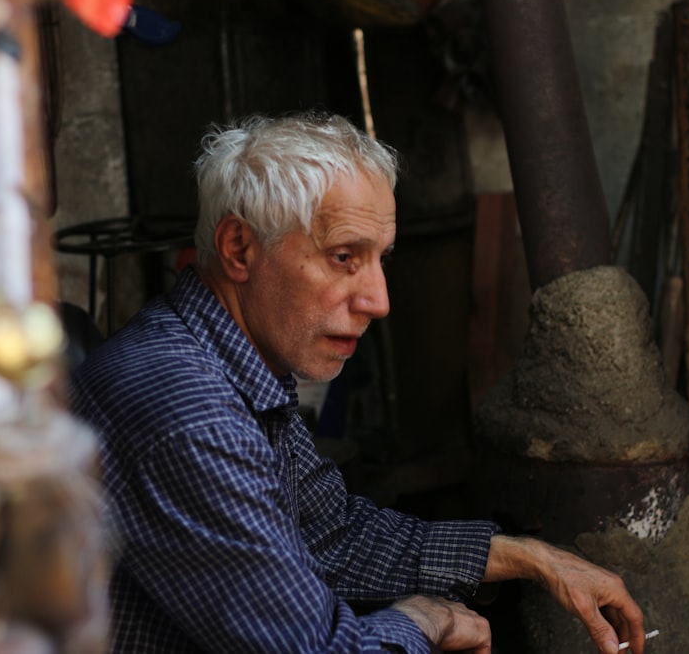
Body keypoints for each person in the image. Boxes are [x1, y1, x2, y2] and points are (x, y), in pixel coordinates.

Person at [70, 111, 647, 654]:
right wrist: (428, 617)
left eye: (380, 259)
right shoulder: (192, 415)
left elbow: (331, 532)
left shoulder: (228, 361)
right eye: (344, 256)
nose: (379, 301)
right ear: (239, 248)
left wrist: (529, 557)